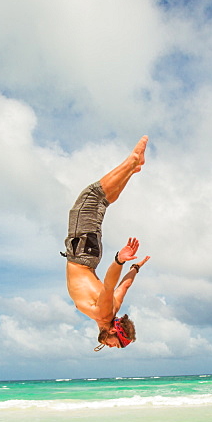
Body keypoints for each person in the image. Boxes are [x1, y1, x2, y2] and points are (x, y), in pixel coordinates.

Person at [63, 136, 151, 351]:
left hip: (89, 256)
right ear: (113, 331)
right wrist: (119, 261)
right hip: (82, 253)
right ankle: (131, 162)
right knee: (91, 197)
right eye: (116, 344)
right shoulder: (104, 314)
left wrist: (136, 267)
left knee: (101, 202)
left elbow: (125, 285)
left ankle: (132, 168)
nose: (111, 347)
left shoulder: (113, 308)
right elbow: (112, 285)